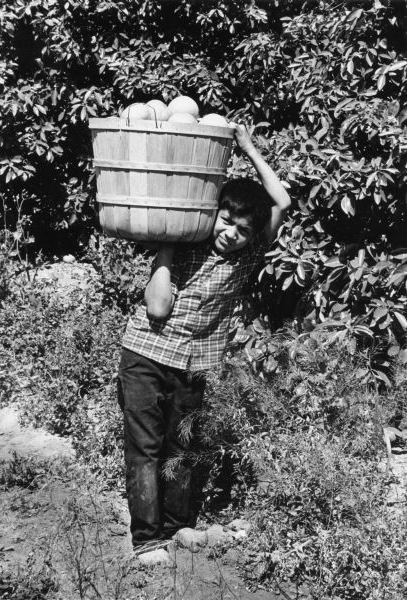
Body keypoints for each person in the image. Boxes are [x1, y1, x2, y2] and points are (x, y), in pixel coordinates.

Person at [117, 124, 291, 551]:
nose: (230, 233)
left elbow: (282, 200)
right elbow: (157, 309)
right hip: (145, 353)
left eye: (242, 229)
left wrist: (247, 146)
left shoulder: (247, 255)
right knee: (146, 446)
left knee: (182, 448)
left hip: (196, 362)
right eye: (226, 221)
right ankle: (146, 541)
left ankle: (178, 528)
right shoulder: (186, 240)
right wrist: (169, 243)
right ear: (213, 214)